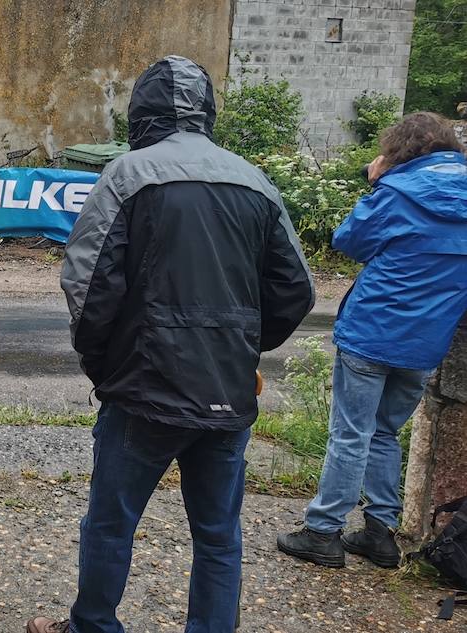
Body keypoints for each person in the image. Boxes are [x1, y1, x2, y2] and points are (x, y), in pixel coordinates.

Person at [31, 56, 315, 633]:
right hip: (227, 389)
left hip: (143, 387)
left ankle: (93, 625)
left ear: (142, 113)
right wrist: (240, 347)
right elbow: (295, 289)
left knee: (111, 522)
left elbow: (88, 287)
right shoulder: (254, 180)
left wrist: (103, 366)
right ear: (208, 113)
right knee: (217, 535)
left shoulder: (129, 175)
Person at [278, 112, 467, 570]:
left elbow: (349, 241)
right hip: (426, 343)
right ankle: (380, 535)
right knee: (385, 433)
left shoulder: (396, 192)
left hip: (372, 332)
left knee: (350, 435)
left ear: (399, 148)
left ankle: (323, 532)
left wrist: (378, 182)